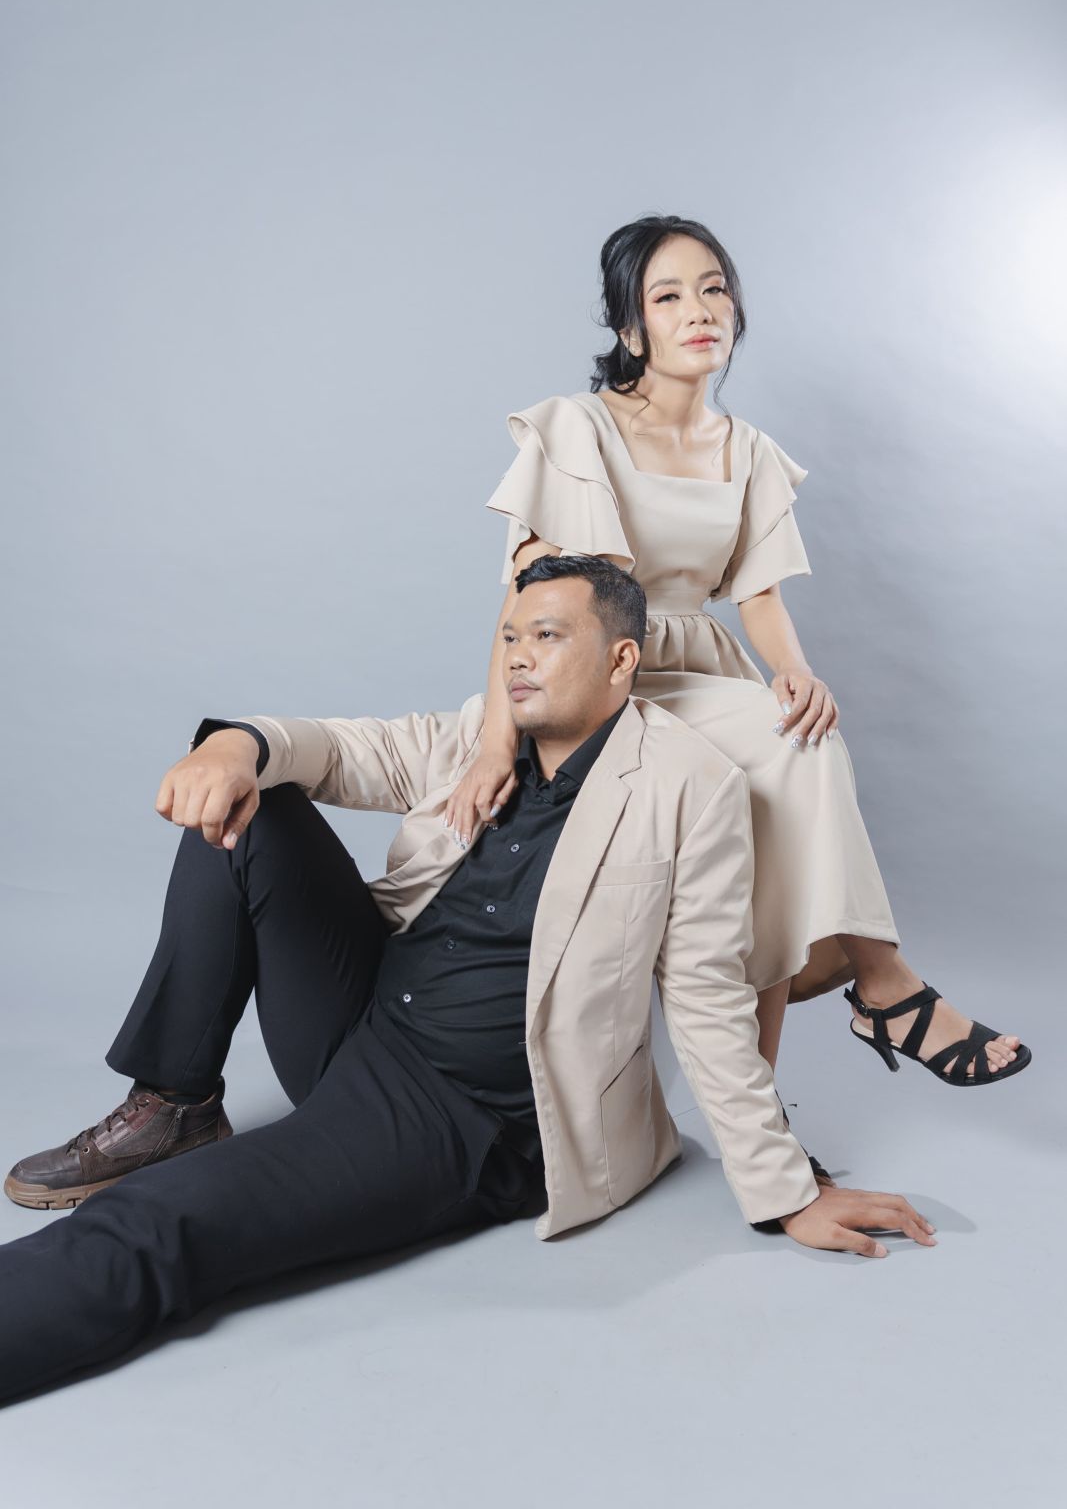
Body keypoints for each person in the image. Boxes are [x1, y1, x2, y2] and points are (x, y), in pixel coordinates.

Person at [0, 556, 935, 1406]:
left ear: (621, 660)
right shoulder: (479, 741)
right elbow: (340, 750)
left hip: (459, 1115)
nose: (518, 656)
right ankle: (177, 1104)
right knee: (254, 805)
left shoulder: (686, 785)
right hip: (364, 1017)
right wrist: (235, 745)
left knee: (161, 1221)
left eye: (547, 635)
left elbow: (704, 994)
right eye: (510, 635)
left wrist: (785, 1191)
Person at [447, 213, 1030, 1112]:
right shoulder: (577, 429)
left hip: (704, 673)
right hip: (608, 677)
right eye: (667, 296)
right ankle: (885, 986)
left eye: (713, 288)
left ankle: (758, 1111)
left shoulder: (746, 449)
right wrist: (496, 743)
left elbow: (759, 598)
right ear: (629, 328)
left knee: (789, 752)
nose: (699, 310)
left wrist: (795, 670)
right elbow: (530, 606)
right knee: (790, 747)